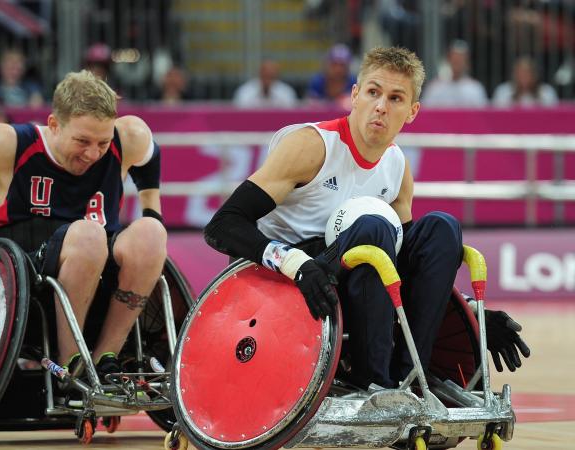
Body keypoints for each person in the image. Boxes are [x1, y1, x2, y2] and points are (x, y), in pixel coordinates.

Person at [204, 47, 530, 389]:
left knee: (442, 228)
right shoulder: (311, 146)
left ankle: (408, 378)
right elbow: (222, 226)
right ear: (355, 95)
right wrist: (295, 263)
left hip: (349, 275)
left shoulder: (397, 167)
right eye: (373, 92)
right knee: (373, 228)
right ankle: (372, 380)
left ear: (412, 111)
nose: (381, 106)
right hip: (289, 279)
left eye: (395, 98)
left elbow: (409, 266)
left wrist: (467, 315)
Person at [0, 70, 167, 385]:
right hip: (25, 264)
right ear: (54, 125)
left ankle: (106, 358)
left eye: (103, 142)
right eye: (82, 141)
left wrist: (153, 210)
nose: (93, 153)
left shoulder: (130, 136)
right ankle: (71, 366)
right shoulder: (7, 142)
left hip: (96, 263)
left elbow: (151, 158)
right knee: (89, 235)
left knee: (151, 233)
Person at [422, 40, 488, 108]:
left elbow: (481, 115)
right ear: (448, 61)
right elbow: (427, 112)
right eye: (455, 60)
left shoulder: (475, 89)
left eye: (461, 60)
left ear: (467, 63)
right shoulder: (435, 87)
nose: (457, 64)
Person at [493, 56, 558, 108]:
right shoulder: (503, 91)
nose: (524, 78)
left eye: (527, 74)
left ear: (535, 75)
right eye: (520, 74)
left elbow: (553, 116)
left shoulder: (546, 92)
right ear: (514, 75)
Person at [306, 44, 357, 109]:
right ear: (327, 64)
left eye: (342, 65)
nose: (338, 69)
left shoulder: (354, 82)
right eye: (334, 64)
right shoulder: (317, 81)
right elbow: (311, 104)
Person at [233, 59, 298, 108]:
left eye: (271, 77)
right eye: (265, 76)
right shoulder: (245, 91)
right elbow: (239, 112)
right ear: (260, 73)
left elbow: (291, 113)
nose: (268, 80)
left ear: (277, 76)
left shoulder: (286, 92)